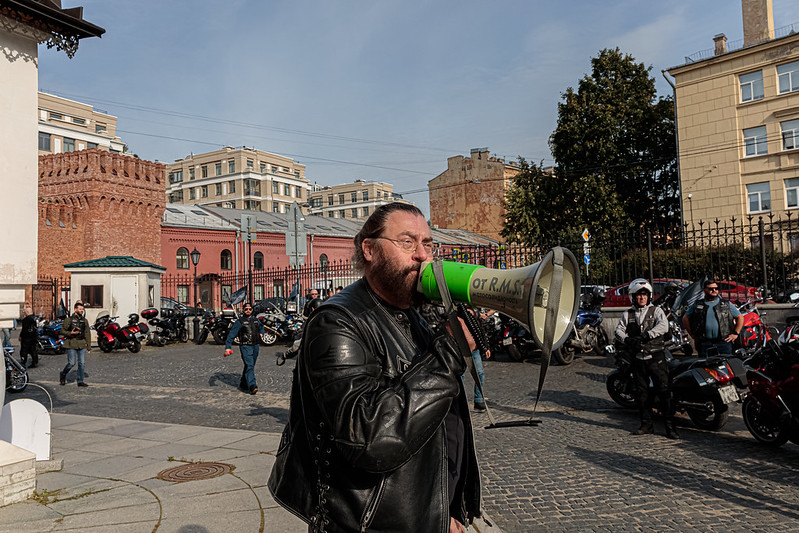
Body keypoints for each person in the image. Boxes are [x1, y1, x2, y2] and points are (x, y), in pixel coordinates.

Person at [268, 202, 482, 533]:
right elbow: (369, 438)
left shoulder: (416, 312)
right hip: (368, 523)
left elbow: (435, 418)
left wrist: (445, 511)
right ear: (369, 249)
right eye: (408, 242)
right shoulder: (336, 322)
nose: (422, 255)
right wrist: (448, 354)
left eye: (427, 243)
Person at [614, 279, 678, 439]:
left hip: (656, 357)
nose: (641, 298)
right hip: (637, 358)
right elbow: (618, 330)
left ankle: (670, 427)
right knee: (641, 393)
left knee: (664, 391)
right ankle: (646, 424)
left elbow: (664, 326)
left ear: (648, 296)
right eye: (638, 295)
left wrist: (647, 335)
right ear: (632, 297)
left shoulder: (657, 311)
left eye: (644, 295)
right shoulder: (627, 314)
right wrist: (626, 339)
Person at [682, 279, 744, 356]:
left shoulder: (726, 304)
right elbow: (685, 318)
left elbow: (740, 317)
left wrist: (735, 333)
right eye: (711, 289)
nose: (714, 290)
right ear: (704, 290)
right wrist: (692, 335)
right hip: (704, 342)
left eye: (716, 288)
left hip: (724, 342)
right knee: (705, 365)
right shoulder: (697, 304)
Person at [223, 302, 265, 395]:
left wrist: (262, 333)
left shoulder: (255, 320)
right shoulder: (240, 322)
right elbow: (231, 335)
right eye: (246, 309)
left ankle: (243, 384)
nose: (248, 311)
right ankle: (252, 385)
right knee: (249, 365)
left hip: (255, 346)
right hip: (245, 346)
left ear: (252, 310)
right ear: (243, 310)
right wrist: (227, 347)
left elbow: (262, 327)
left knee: (250, 365)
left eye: (250, 309)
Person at [59, 301, 91, 387]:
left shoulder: (85, 320)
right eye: (80, 309)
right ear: (75, 309)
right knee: (71, 363)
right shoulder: (68, 319)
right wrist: (70, 333)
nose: (81, 311)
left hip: (82, 344)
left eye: (82, 309)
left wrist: (89, 346)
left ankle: (80, 381)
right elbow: (62, 331)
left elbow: (87, 333)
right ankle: (63, 374)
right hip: (71, 343)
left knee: (82, 363)